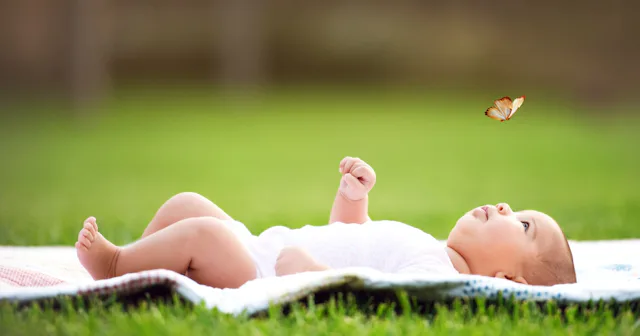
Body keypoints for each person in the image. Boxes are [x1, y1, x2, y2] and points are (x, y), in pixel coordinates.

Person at [75, 156, 576, 289]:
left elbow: (366, 293)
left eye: (525, 226)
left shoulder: (440, 277)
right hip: (263, 248)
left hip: (267, 274)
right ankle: (146, 265)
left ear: (506, 279)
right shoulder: (429, 246)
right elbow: (353, 241)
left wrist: (308, 274)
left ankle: (116, 264)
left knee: (203, 234)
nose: (507, 207)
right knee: (187, 205)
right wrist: (351, 200)